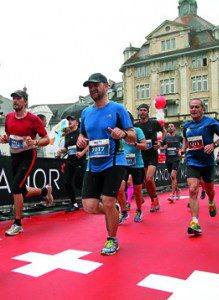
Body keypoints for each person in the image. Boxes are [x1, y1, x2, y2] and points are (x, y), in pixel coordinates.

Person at [77, 73, 136, 255]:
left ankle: (112, 240)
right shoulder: (86, 112)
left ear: (106, 86)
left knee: (108, 201)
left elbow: (133, 136)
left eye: (96, 85)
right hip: (93, 163)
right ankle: (114, 212)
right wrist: (80, 140)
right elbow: (83, 135)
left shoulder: (118, 109)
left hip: (114, 161)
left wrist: (123, 134)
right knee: (89, 207)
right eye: (90, 86)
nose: (93, 88)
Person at [0, 90, 53, 236]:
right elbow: (9, 135)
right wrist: (5, 139)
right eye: (14, 99)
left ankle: (17, 223)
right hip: (14, 154)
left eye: (18, 98)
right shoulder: (9, 117)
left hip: (28, 155)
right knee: (21, 190)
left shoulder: (33, 119)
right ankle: (44, 191)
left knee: (16, 187)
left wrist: (35, 141)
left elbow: (46, 139)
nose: (15, 101)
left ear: (25, 102)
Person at [179, 99, 219, 235]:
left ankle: (211, 202)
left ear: (202, 109)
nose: (193, 109)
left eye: (196, 107)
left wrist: (213, 145)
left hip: (207, 162)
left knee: (209, 190)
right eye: (191, 107)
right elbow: (185, 140)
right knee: (193, 189)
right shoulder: (186, 125)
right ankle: (194, 222)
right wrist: (182, 150)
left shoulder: (210, 122)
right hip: (192, 161)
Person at [134, 104, 167, 212]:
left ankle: (154, 199)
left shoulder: (153, 123)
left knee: (149, 178)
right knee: (146, 181)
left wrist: (160, 142)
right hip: (141, 156)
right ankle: (154, 199)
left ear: (148, 112)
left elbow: (164, 131)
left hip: (152, 154)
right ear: (138, 112)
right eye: (140, 110)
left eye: (144, 110)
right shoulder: (136, 125)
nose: (142, 112)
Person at [118, 111, 147, 223]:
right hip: (122, 163)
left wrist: (135, 144)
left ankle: (139, 210)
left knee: (138, 189)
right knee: (120, 189)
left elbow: (145, 146)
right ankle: (124, 212)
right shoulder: (118, 132)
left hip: (137, 164)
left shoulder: (137, 131)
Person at [57, 115, 88, 213]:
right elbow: (68, 148)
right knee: (67, 181)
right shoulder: (67, 135)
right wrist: (63, 150)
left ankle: (89, 200)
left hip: (80, 161)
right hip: (70, 160)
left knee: (79, 183)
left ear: (77, 123)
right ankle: (74, 203)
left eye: (72, 119)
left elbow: (90, 144)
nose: (69, 121)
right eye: (68, 120)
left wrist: (82, 153)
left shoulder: (81, 133)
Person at [162, 123, 183, 203]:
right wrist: (163, 147)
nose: (170, 128)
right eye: (169, 127)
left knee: (173, 176)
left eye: (172, 126)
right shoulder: (166, 137)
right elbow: (161, 146)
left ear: (175, 128)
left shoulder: (178, 137)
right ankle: (177, 190)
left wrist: (181, 151)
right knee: (173, 177)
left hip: (176, 159)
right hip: (168, 159)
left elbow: (185, 143)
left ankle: (172, 195)